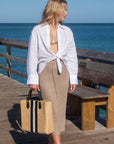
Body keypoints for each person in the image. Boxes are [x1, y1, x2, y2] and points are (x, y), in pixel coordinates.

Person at [27, 0, 78, 144]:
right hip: (45, 73)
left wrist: (73, 78)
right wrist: (33, 79)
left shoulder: (67, 31)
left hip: (63, 73)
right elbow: (32, 56)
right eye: (64, 10)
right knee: (51, 110)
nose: (66, 13)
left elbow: (72, 56)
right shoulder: (37, 30)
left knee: (59, 111)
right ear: (55, 10)